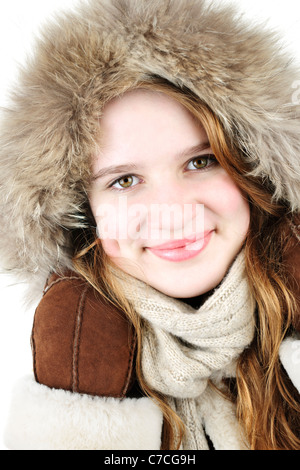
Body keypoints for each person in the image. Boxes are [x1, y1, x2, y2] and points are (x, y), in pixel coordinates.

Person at [1, 0, 299, 450]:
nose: (171, 207)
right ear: (84, 214)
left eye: (202, 161)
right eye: (124, 180)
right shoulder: (78, 347)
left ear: (255, 169)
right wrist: (80, 413)